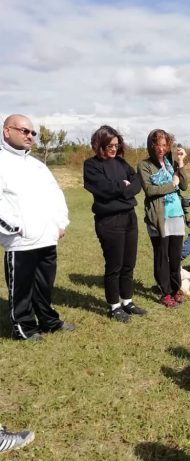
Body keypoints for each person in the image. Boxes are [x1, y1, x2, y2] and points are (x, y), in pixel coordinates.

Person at [0, 114, 74, 341]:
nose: (30, 136)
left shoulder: (37, 165)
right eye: (24, 131)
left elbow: (56, 194)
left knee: (44, 286)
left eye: (32, 132)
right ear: (7, 131)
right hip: (20, 241)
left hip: (47, 237)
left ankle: (49, 321)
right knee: (21, 290)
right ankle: (24, 328)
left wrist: (60, 224)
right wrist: (16, 228)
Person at [83, 125, 146, 323]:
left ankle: (127, 301)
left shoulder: (121, 163)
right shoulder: (91, 165)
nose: (114, 149)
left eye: (116, 145)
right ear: (99, 144)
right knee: (115, 265)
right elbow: (103, 189)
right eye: (110, 145)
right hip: (109, 221)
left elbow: (137, 182)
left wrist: (124, 189)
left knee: (129, 263)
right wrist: (123, 186)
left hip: (129, 217)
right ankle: (114, 306)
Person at [138, 129, 188, 308]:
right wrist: (171, 184)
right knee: (162, 256)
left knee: (175, 257)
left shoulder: (170, 161)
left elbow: (184, 185)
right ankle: (165, 292)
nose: (161, 148)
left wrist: (181, 163)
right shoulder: (144, 165)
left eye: (165, 144)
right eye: (157, 144)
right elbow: (150, 190)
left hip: (176, 215)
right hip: (158, 217)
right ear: (151, 145)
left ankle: (176, 289)